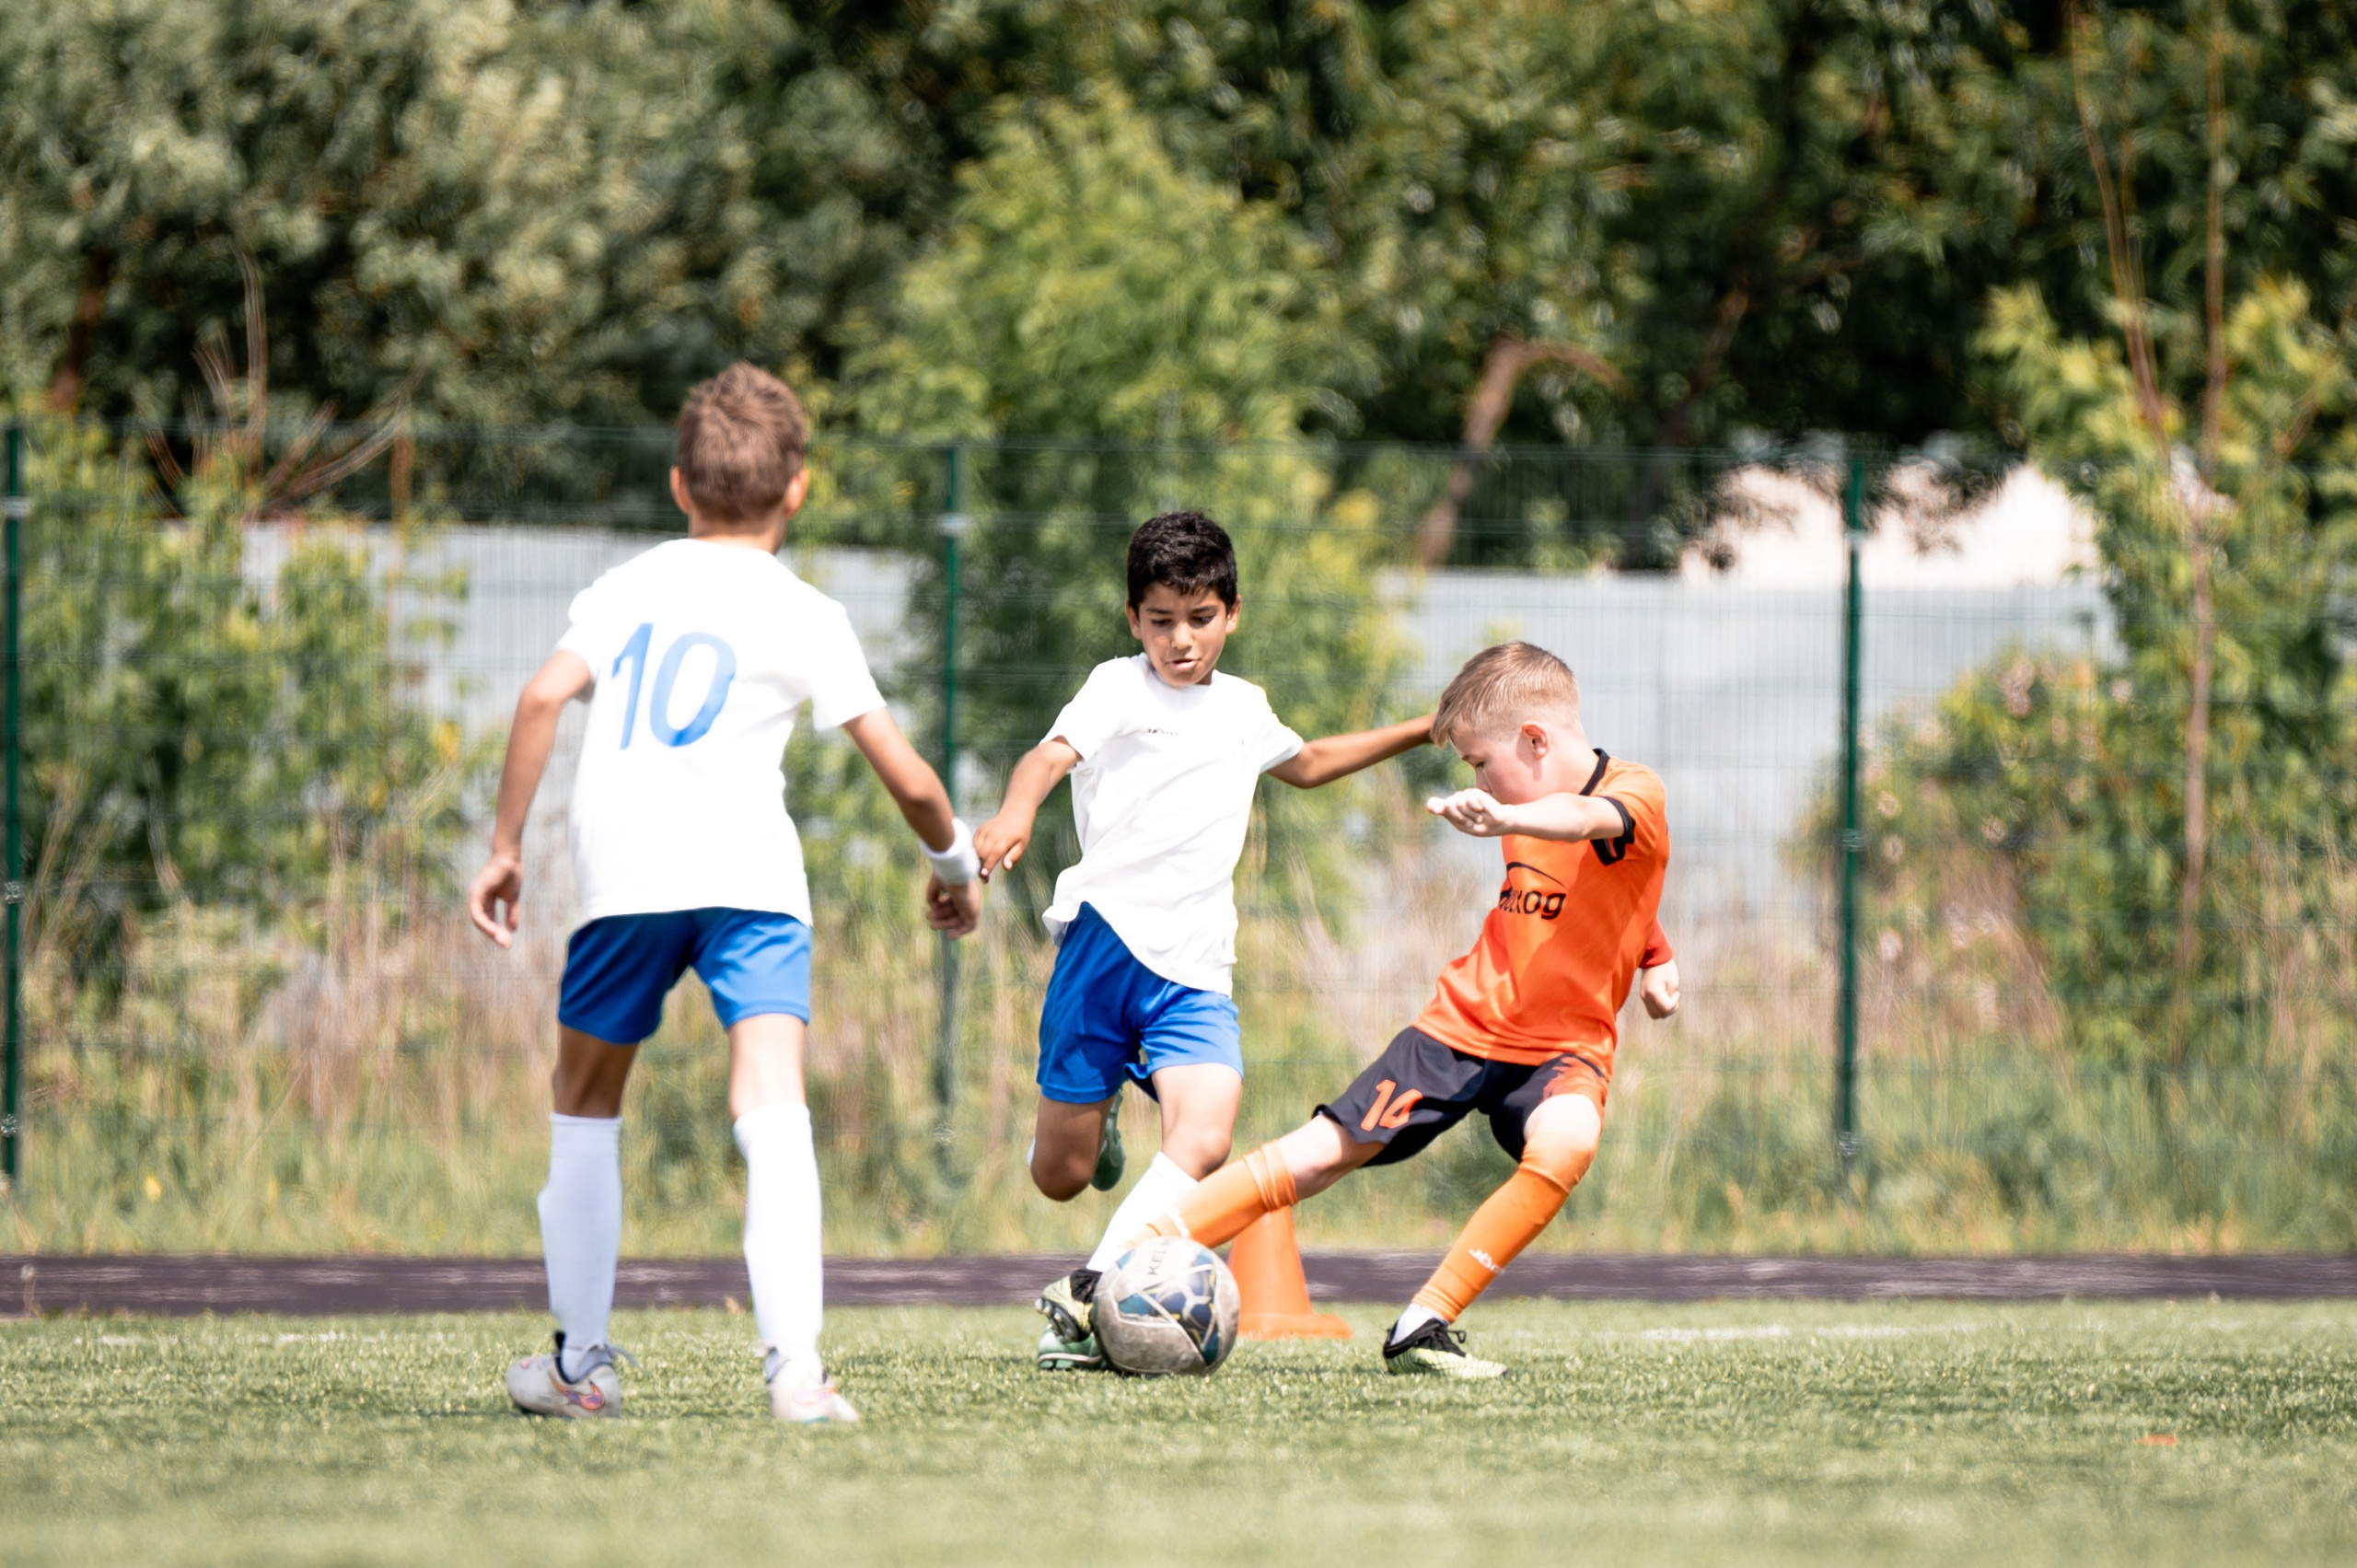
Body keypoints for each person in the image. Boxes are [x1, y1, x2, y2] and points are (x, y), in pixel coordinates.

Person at [466, 364, 981, 1423]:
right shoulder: (805, 612)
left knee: (585, 1106)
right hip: (750, 884)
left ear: (677, 485)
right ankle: (795, 1371)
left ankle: (579, 1368)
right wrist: (952, 865)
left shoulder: (626, 588)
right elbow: (911, 777)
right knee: (770, 1101)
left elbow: (539, 696)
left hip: (625, 880)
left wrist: (507, 845)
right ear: (797, 488)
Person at [1132, 640, 1676, 1377]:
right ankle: (1128, 1263)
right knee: (1325, 1151)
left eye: (1482, 761)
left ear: (1537, 740)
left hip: (1564, 1049)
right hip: (1461, 1026)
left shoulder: (1632, 793)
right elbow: (1600, 889)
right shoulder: (1519, 803)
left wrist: (1651, 952)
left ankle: (1425, 1321)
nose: (1479, 779)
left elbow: (1594, 826)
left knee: (1570, 1140)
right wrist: (1655, 953)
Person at [972, 511, 1436, 1371]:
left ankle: (1089, 1293)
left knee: (1207, 1136)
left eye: (1199, 618)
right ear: (1133, 619)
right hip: (1102, 948)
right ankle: (1101, 1114)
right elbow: (1046, 758)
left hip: (1194, 966)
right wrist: (1014, 812)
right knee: (1060, 1173)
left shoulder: (1246, 708)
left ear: (1232, 613)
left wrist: (1420, 728)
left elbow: (1311, 762)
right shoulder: (1116, 687)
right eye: (1160, 621)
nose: (1180, 641)